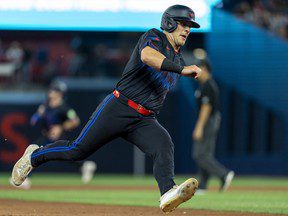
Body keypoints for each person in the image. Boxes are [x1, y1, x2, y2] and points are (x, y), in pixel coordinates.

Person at [11, 5, 202, 213]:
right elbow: (148, 57)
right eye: (183, 24)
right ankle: (34, 156)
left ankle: (167, 192)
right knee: (77, 151)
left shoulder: (179, 59)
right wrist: (181, 70)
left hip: (144, 118)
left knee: (164, 144)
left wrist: (179, 68)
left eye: (190, 26)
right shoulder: (154, 36)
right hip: (119, 106)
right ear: (169, 23)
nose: (187, 30)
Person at [192, 59, 234, 194]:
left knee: (199, 154)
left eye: (198, 69)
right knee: (205, 153)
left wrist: (199, 126)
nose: (196, 72)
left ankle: (223, 174)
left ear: (204, 68)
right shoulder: (206, 84)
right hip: (211, 120)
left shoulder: (208, 85)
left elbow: (206, 107)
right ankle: (203, 185)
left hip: (208, 120)